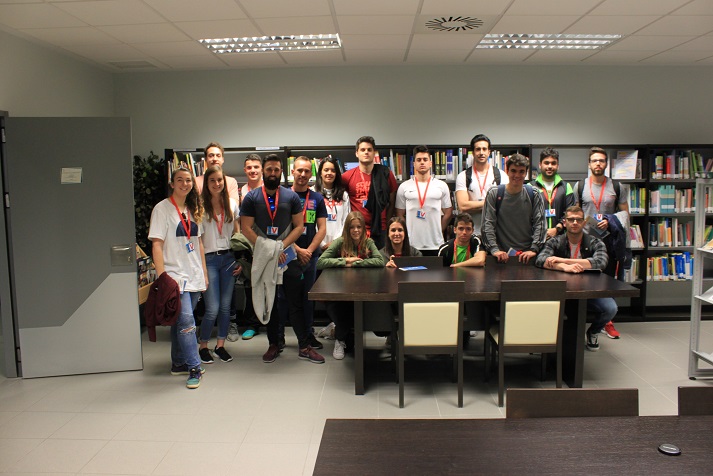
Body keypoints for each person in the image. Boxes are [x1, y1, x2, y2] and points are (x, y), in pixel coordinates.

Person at [240, 154, 325, 364]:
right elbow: (245, 228)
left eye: (276, 170)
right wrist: (268, 248)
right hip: (265, 258)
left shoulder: (291, 197)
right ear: (263, 171)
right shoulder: (251, 198)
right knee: (271, 303)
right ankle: (274, 344)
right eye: (269, 169)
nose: (272, 173)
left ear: (281, 172)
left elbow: (299, 226)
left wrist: (281, 246)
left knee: (296, 302)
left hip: (288, 257)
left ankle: (304, 346)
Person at [149, 167, 208, 389]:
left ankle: (178, 362)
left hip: (193, 274)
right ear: (172, 183)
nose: (185, 184)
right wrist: (163, 277)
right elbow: (157, 244)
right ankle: (194, 367)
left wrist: (204, 273)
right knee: (187, 322)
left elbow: (198, 243)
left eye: (188, 180)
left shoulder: (194, 209)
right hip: (174, 276)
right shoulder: (162, 209)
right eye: (180, 180)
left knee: (179, 321)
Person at [535, 206, 616, 351]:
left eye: (578, 220)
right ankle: (544, 339)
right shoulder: (555, 241)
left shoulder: (595, 242)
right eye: (571, 219)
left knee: (610, 308)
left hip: (588, 290)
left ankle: (593, 332)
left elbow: (600, 262)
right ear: (565, 222)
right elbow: (541, 260)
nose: (574, 223)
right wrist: (563, 267)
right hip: (560, 291)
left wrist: (562, 260)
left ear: (584, 222)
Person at [572, 147, 630, 339]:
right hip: (586, 242)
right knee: (584, 280)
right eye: (595, 160)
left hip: (609, 242)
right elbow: (575, 213)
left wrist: (609, 220)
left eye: (602, 160)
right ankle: (584, 317)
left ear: (606, 164)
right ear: (589, 164)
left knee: (609, 281)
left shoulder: (617, 187)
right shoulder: (580, 186)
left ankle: (607, 321)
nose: (598, 163)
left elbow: (625, 214)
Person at [317, 211, 385, 359]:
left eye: (359, 227)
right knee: (342, 311)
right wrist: (345, 261)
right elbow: (320, 262)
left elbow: (380, 261)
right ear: (347, 228)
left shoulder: (368, 242)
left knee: (356, 317)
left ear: (363, 228)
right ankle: (339, 340)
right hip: (340, 289)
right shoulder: (340, 242)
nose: (356, 230)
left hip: (361, 289)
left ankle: (336, 331)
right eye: (352, 227)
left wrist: (356, 263)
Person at [277, 156, 327, 350]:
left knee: (308, 298)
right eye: (299, 170)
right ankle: (279, 337)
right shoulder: (283, 196)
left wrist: (309, 251)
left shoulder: (317, 198)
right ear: (292, 172)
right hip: (287, 255)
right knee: (283, 298)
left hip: (310, 257)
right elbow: (281, 229)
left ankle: (308, 334)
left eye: (307, 171)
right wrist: (297, 250)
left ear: (311, 174)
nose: (303, 174)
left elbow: (321, 228)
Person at [197, 166, 240, 364]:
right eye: (212, 180)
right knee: (212, 308)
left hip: (228, 259)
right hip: (209, 260)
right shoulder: (199, 207)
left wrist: (240, 260)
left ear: (224, 182)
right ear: (206, 183)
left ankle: (220, 346)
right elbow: (198, 240)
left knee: (225, 307)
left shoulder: (231, 204)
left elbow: (237, 235)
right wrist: (203, 269)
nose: (217, 184)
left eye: (220, 180)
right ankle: (203, 346)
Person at [481, 153, 546, 264]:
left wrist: (534, 249)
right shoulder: (494, 193)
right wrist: (494, 250)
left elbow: (540, 223)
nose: (517, 175)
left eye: (521, 171)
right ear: (507, 171)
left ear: (526, 173)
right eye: (513, 171)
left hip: (528, 256)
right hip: (501, 256)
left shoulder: (534, 194)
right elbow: (488, 224)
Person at [229, 153, 265, 342]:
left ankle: (269, 321)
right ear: (245, 170)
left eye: (256, 167)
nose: (253, 170)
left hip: (267, 241)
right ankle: (252, 324)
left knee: (270, 284)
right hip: (248, 244)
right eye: (249, 167)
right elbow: (237, 220)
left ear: (262, 169)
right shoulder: (241, 192)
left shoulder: (269, 189)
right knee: (250, 285)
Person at [342, 136, 398, 249]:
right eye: (362, 150)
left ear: (374, 153)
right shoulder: (347, 177)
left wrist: (386, 223)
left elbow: (392, 202)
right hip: (357, 229)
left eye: (369, 150)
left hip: (381, 229)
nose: (366, 152)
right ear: (357, 153)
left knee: (381, 259)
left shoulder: (385, 174)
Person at [395, 145, 452, 255]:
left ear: (430, 163)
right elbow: (399, 214)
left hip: (436, 244)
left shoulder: (441, 185)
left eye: (425, 160)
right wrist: (407, 232)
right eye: (419, 160)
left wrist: (439, 229)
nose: (422, 162)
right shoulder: (404, 186)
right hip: (411, 244)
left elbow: (448, 212)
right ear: (414, 164)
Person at [455, 134, 508, 236]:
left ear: (489, 152)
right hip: (471, 233)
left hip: (495, 233)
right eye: (478, 149)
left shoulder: (501, 175)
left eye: (484, 149)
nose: (481, 153)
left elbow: (504, 205)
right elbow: (463, 206)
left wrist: (473, 206)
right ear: (473, 153)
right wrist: (491, 203)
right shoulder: (463, 176)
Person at [531, 147, 574, 239]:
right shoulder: (530, 187)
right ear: (540, 165)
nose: (550, 166)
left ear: (558, 166)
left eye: (553, 163)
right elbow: (527, 215)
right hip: (537, 239)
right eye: (546, 163)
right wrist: (541, 231)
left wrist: (557, 229)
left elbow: (569, 213)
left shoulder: (566, 187)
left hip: (560, 238)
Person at [314, 156, 350, 251]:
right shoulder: (312, 193)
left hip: (338, 246)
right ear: (320, 172)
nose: (329, 173)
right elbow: (311, 223)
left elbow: (346, 221)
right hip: (316, 246)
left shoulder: (344, 195)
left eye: (333, 170)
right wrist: (321, 244)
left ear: (336, 174)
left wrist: (335, 243)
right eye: (326, 170)